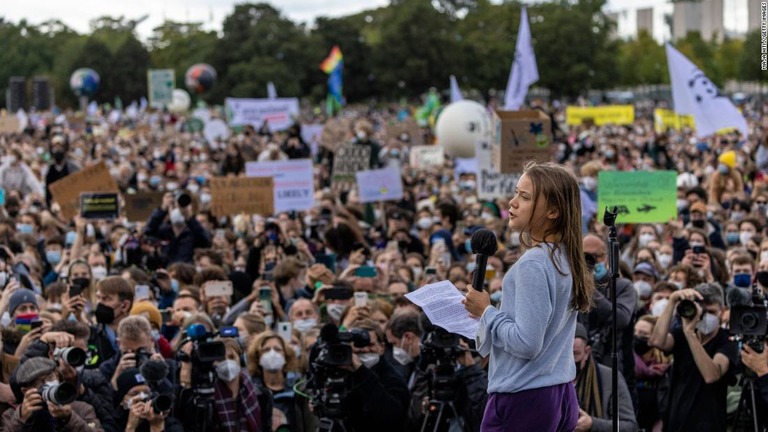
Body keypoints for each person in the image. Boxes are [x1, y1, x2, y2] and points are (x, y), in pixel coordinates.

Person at [463, 161, 594, 431]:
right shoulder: (563, 256)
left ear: (554, 211)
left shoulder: (534, 263)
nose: (512, 203)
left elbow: (527, 343)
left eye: (525, 197)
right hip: (556, 391)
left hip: (524, 396)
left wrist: (486, 312)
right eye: (515, 193)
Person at [649, 283, 739, 431]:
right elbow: (657, 341)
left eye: (712, 311)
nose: (705, 317)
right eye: (703, 312)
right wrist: (672, 301)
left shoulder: (727, 341)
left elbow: (711, 375)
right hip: (676, 419)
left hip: (709, 422)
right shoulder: (680, 334)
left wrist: (691, 334)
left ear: (722, 311)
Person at [3, 357, 103, 431]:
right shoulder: (11, 415)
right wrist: (21, 419)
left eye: (50, 378)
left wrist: (69, 418)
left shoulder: (81, 409)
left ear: (59, 378)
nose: (47, 385)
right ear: (25, 391)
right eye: (38, 383)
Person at [572, 323, 638, 432]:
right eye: (565, 354)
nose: (570, 360)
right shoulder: (550, 379)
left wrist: (592, 424)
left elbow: (630, 426)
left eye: (575, 354)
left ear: (587, 351)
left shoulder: (610, 378)